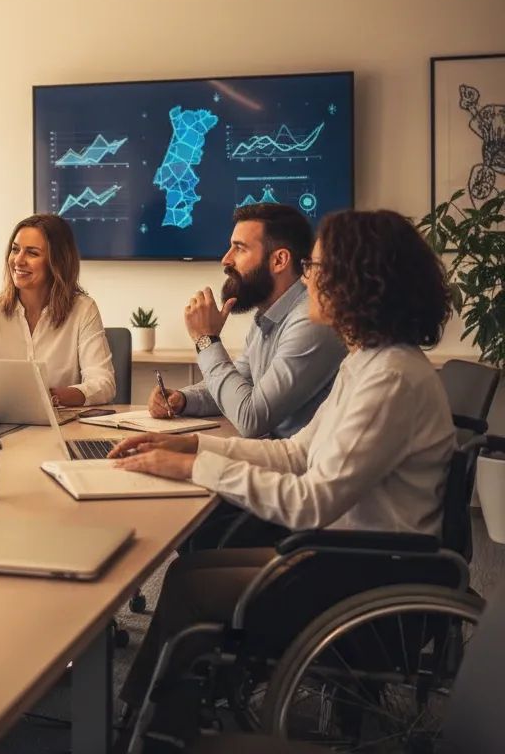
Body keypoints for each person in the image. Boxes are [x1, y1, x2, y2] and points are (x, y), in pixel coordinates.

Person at [111, 209, 456, 713]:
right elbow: (296, 452)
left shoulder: (390, 378)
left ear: (356, 282)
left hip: (363, 574)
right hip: (345, 555)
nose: (308, 278)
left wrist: (194, 468)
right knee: (191, 575)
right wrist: (196, 446)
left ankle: (150, 730)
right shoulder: (368, 362)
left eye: (317, 268)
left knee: (192, 586)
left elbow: (311, 502)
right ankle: (161, 722)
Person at [149, 203, 345, 439]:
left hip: (296, 467)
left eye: (239, 249)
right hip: (273, 457)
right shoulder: (266, 316)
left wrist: (206, 341)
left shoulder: (310, 320)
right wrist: (183, 399)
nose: (226, 259)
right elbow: (239, 385)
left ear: (279, 260)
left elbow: (251, 419)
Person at [0, 214, 115, 408]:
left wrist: (53, 397)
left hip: (60, 427)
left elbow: (103, 384)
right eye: (15, 250)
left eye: (32, 253)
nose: (18, 260)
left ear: (57, 261)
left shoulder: (83, 309)